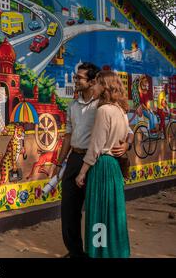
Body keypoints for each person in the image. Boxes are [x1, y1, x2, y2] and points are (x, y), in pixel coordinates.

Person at [50, 63, 133, 258]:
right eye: (75, 76)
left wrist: (127, 145)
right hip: (75, 159)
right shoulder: (73, 105)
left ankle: (96, 251)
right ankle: (76, 252)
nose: (75, 80)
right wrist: (59, 162)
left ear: (92, 81)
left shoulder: (103, 106)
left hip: (94, 162)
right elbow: (68, 136)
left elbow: (127, 131)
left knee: (97, 209)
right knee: (69, 209)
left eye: (79, 77)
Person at [75, 70, 131, 258]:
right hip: (114, 167)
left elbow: (96, 147)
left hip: (102, 167)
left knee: (99, 212)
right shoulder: (121, 111)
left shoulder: (103, 110)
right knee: (114, 214)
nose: (94, 87)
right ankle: (115, 252)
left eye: (98, 84)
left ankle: (99, 253)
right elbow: (126, 138)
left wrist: (82, 172)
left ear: (104, 87)